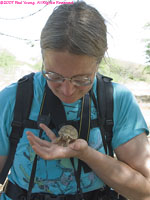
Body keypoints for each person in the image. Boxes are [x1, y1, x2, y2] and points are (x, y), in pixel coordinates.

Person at [0, 1, 150, 200]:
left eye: (81, 79)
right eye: (53, 75)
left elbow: (144, 190)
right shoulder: (15, 98)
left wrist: (86, 154)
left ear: (99, 62)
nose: (67, 90)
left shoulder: (116, 100)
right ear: (43, 57)